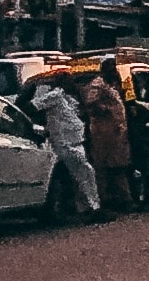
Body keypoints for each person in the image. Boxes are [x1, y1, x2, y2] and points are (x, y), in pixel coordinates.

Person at [37, 74, 103, 224]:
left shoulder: (68, 99)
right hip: (65, 144)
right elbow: (34, 105)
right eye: (68, 80)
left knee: (81, 177)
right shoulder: (54, 96)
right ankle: (94, 208)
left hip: (75, 141)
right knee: (86, 174)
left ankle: (85, 209)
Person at [83, 63, 136, 215]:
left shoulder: (112, 84)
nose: (113, 72)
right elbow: (91, 104)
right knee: (104, 169)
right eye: (110, 69)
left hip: (117, 134)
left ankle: (124, 199)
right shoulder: (97, 86)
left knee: (119, 166)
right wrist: (106, 110)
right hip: (103, 135)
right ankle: (105, 201)